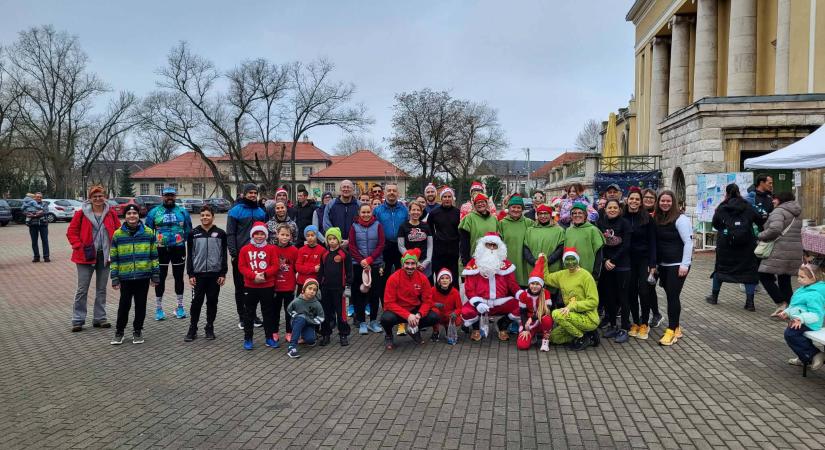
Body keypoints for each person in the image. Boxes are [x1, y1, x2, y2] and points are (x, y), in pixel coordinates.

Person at [67, 185, 121, 331]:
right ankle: (78, 320)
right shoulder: (81, 213)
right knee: (82, 289)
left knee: (101, 289)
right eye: (94, 196)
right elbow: (71, 232)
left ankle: (100, 318)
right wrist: (79, 246)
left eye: (100, 196)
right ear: (90, 198)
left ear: (105, 197)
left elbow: (118, 231)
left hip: (105, 256)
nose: (98, 199)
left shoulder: (111, 214)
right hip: (85, 256)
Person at [706, 184, 764, 311]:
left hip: (726, 245)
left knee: (720, 269)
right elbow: (760, 220)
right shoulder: (748, 206)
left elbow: (715, 223)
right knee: (749, 272)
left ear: (726, 193)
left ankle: (714, 297)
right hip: (747, 245)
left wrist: (725, 230)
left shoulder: (722, 207)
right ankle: (750, 303)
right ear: (739, 192)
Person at [109, 204, 160, 345]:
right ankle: (119, 331)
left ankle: (137, 331)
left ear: (139, 215)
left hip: (143, 276)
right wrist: (114, 277)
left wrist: (155, 274)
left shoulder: (149, 233)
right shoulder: (118, 234)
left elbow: (154, 255)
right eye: (129, 213)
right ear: (125, 216)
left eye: (134, 213)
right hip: (125, 277)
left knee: (140, 304)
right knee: (124, 304)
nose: (132, 216)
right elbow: (114, 257)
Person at [461, 232, 521, 342]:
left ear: (499, 248)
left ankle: (503, 325)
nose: (492, 248)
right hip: (481, 301)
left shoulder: (506, 265)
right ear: (483, 246)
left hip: (500, 302)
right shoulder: (473, 264)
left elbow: (513, 285)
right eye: (489, 245)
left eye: (494, 245)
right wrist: (478, 303)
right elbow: (469, 289)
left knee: (521, 306)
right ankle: (475, 329)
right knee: (466, 311)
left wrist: (522, 295)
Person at [145, 186, 192, 321]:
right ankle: (159, 308)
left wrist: (184, 242)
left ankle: (180, 306)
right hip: (160, 249)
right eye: (166, 195)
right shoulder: (154, 212)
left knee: (179, 277)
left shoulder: (182, 212)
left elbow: (189, 230)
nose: (169, 198)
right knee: (160, 278)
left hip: (178, 248)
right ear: (162, 197)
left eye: (171, 195)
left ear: (175, 196)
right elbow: (148, 231)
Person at [380, 249, 440, 350]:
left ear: (416, 264)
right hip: (397, 311)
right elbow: (389, 303)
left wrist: (419, 314)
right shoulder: (393, 278)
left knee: (434, 317)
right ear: (402, 264)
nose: (410, 266)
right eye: (407, 263)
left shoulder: (422, 278)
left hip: (414, 310)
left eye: (413, 263)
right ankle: (389, 335)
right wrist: (407, 315)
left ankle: (414, 329)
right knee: (385, 319)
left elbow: (427, 300)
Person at [654, 190, 693, 346]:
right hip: (663, 264)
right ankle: (676, 327)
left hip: (677, 265)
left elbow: (688, 242)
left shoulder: (681, 219)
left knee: (672, 296)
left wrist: (685, 264)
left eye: (668, 201)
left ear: (674, 202)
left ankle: (671, 331)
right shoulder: (658, 218)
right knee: (670, 294)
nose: (665, 203)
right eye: (662, 201)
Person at [184, 205, 227, 342]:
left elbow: (223, 255)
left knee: (212, 302)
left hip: (215, 275)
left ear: (213, 217)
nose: (205, 218)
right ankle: (193, 328)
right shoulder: (193, 233)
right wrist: (190, 274)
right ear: (200, 217)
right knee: (196, 302)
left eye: (207, 215)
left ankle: (209, 327)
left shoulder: (221, 233)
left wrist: (223, 273)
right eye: (202, 215)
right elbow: (190, 255)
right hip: (198, 275)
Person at [543, 247, 600, 350]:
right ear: (564, 261)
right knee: (553, 338)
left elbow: (594, 301)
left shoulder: (586, 276)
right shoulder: (562, 274)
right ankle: (590, 334)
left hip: (588, 318)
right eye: (567, 259)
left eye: (572, 259)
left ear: (577, 259)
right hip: (571, 317)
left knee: (556, 314)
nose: (570, 262)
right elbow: (546, 278)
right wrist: (544, 261)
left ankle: (582, 337)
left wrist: (573, 306)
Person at [227, 183, 267, 329]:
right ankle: (243, 317)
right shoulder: (234, 211)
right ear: (244, 194)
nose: (252, 195)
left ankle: (253, 315)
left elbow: (264, 233)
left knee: (254, 287)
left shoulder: (261, 212)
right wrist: (233, 253)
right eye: (249, 192)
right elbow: (230, 233)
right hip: (240, 255)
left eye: (254, 193)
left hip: (257, 256)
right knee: (240, 287)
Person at [758, 192, 803, 317]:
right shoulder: (796, 212)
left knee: (763, 274)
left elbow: (775, 229)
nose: (773, 201)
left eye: (774, 199)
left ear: (780, 200)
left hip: (780, 249)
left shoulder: (779, 211)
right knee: (784, 278)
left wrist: (760, 235)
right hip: (794, 250)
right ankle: (791, 308)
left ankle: (780, 302)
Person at [237, 222, 279, 350]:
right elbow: (241, 266)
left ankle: (269, 337)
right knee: (249, 314)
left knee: (268, 313)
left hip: (267, 286)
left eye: (262, 234)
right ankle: (248, 338)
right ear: (252, 235)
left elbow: (275, 265)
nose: (259, 236)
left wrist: (264, 275)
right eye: (257, 234)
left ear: (266, 235)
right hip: (251, 286)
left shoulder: (271, 248)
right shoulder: (245, 249)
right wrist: (253, 276)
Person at [596, 199, 632, 343]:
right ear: (605, 209)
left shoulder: (625, 223)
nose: (612, 210)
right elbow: (599, 245)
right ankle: (612, 325)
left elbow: (626, 245)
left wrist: (613, 261)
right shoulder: (601, 223)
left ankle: (624, 328)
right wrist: (605, 261)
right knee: (609, 297)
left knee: (623, 298)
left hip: (622, 265)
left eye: (615, 207)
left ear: (619, 209)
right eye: (609, 207)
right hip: (606, 265)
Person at [623, 188, 657, 340]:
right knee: (631, 291)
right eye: (632, 199)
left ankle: (645, 323)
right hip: (627, 259)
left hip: (643, 259)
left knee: (644, 291)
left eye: (637, 199)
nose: (634, 201)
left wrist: (652, 264)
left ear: (641, 202)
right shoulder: (622, 216)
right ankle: (635, 322)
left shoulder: (647, 218)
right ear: (627, 200)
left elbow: (652, 243)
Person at [780, 264, 825, 369]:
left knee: (791, 334)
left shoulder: (814, 294)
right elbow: (796, 306)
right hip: (799, 320)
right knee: (794, 335)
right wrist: (786, 312)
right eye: (798, 276)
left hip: (810, 322)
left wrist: (801, 318)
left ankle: (814, 354)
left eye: (802, 277)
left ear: (813, 278)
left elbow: (816, 314)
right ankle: (804, 357)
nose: (798, 279)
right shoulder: (804, 289)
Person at [349, 203, 385, 334]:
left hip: (375, 264)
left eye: (368, 212)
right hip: (358, 265)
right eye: (363, 212)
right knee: (359, 294)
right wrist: (361, 260)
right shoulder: (354, 226)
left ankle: (373, 321)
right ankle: (362, 322)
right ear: (359, 213)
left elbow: (381, 244)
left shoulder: (378, 225)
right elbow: (352, 246)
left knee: (374, 294)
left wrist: (370, 259)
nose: (365, 215)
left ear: (372, 213)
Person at [374, 183, 409, 304]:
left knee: (402, 277)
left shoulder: (404, 210)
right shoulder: (378, 210)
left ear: (398, 193)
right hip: (384, 247)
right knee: (384, 277)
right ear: (384, 193)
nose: (392, 193)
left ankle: (401, 303)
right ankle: (386, 305)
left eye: (394, 190)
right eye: (389, 190)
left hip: (401, 247)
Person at [318, 227, 352, 346]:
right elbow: (321, 271)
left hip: (339, 289)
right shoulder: (325, 254)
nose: (332, 241)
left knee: (341, 313)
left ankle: (343, 334)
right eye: (329, 239)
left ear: (338, 240)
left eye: (334, 239)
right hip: (326, 288)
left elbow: (349, 271)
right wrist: (318, 286)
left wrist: (348, 285)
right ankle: (326, 334)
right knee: (326, 312)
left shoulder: (344, 254)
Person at [516, 255, 554, 351]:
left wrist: (532, 318)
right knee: (522, 345)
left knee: (547, 319)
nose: (534, 286)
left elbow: (546, 310)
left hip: (541, 321)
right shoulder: (523, 295)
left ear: (541, 285)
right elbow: (523, 313)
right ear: (529, 284)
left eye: (537, 284)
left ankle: (545, 339)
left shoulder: (546, 293)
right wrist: (525, 329)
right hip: (528, 323)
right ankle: (532, 335)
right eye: (532, 283)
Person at [497, 195, 533, 287]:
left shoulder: (529, 223)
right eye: (513, 207)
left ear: (522, 209)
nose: (516, 210)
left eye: (519, 207)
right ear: (508, 208)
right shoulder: (502, 223)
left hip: (524, 263)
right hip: (507, 262)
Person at [428, 187, 461, 289]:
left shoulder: (458, 212)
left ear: (452, 198)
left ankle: (455, 300)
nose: (447, 199)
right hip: (439, 250)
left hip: (453, 250)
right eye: (445, 197)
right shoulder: (434, 213)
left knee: (454, 277)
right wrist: (436, 238)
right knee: (440, 276)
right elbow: (429, 228)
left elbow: (461, 230)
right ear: (441, 199)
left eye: (449, 197)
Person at [271, 224, 298, 343]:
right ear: (277, 235)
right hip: (275, 286)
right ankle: (274, 331)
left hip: (289, 286)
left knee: (289, 311)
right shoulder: (272, 249)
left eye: (287, 235)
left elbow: (297, 268)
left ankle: (289, 332)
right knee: (275, 311)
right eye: (282, 234)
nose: (284, 237)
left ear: (291, 237)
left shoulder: (294, 250)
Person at [641, 188, 663, 327]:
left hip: (656, 258)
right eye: (646, 197)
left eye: (652, 198)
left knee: (649, 287)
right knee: (645, 287)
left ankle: (654, 314)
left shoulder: (659, 216)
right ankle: (649, 313)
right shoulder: (639, 214)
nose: (648, 199)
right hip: (642, 257)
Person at [286, 279, 325, 358]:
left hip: (309, 323)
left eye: (314, 290)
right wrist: (296, 316)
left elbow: (321, 317)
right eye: (309, 288)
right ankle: (292, 347)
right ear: (304, 289)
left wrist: (311, 321)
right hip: (297, 321)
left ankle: (303, 335)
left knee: (311, 340)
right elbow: (289, 310)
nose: (312, 291)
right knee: (301, 318)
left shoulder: (317, 304)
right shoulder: (297, 301)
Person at [564, 203, 605, 278]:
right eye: (574, 213)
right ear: (571, 216)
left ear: (585, 215)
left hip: (588, 273)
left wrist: (595, 273)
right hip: (570, 271)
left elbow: (599, 254)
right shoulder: (568, 231)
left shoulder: (593, 230)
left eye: (580, 213)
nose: (577, 215)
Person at [523, 204, 565, 277]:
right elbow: (526, 248)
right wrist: (534, 261)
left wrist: (547, 261)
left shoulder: (559, 230)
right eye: (540, 213)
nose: (543, 216)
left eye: (546, 213)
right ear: (537, 215)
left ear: (550, 215)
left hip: (552, 267)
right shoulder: (530, 230)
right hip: (534, 266)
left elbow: (560, 249)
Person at [458, 193, 499, 267]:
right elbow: (464, 242)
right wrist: (466, 260)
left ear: (487, 204)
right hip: (473, 260)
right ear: (474, 205)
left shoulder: (493, 219)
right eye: (478, 203)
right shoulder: (469, 218)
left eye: (482, 202)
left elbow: (498, 240)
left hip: (491, 260)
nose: (480, 204)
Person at [397, 201, 433, 279]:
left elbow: (430, 245)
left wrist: (427, 261)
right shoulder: (403, 226)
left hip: (424, 262)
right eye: (413, 210)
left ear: (421, 212)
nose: (415, 212)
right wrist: (413, 261)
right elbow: (401, 246)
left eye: (418, 210)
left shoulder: (426, 226)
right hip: (408, 262)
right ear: (409, 212)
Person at [323, 179, 361, 249]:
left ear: (353, 190)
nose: (346, 189)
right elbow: (326, 223)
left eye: (348, 187)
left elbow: (361, 225)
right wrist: (337, 239)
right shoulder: (331, 204)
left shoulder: (359, 205)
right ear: (340, 189)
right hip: (335, 245)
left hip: (355, 245)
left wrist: (350, 240)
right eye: (344, 187)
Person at [430, 268, 462, 343]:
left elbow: (459, 308)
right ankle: (435, 331)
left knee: (458, 320)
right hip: (438, 314)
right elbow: (427, 303)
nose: (444, 280)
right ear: (438, 281)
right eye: (442, 278)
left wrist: (455, 313)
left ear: (450, 280)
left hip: (449, 315)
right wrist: (434, 304)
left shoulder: (455, 292)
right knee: (434, 312)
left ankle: (448, 329)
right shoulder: (432, 290)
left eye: (447, 278)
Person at [295, 225, 325, 291]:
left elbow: (320, 268)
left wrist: (305, 267)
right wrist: (313, 269)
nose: (310, 237)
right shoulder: (301, 250)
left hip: (315, 282)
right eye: (308, 236)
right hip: (302, 282)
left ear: (316, 236)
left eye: (312, 235)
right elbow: (298, 267)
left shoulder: (322, 250)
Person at [25, 192, 50, 263]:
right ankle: (36, 257)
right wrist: (37, 213)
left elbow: (45, 212)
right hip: (33, 225)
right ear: (34, 197)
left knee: (45, 241)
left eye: (40, 197)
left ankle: (46, 257)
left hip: (43, 224)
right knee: (34, 242)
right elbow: (26, 212)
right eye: (37, 197)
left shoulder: (44, 204)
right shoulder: (30, 204)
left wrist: (34, 215)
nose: (39, 198)